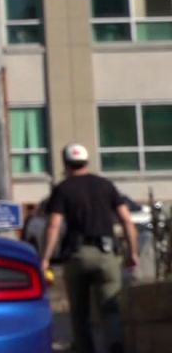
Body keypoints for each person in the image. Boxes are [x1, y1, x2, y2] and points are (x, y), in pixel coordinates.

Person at [40, 143, 139, 353]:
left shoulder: (63, 189)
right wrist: (133, 252)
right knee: (111, 309)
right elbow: (127, 221)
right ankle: (115, 346)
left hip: (77, 256)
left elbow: (54, 225)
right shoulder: (106, 186)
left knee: (79, 312)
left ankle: (85, 349)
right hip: (106, 254)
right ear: (86, 161)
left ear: (65, 163)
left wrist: (45, 258)